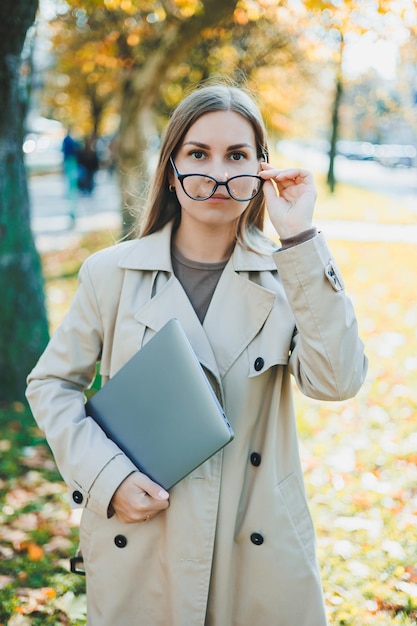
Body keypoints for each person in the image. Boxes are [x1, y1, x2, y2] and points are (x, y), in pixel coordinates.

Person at [26, 82, 368, 626]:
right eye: (198, 154)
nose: (217, 174)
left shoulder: (291, 277)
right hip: (142, 537)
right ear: (171, 168)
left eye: (237, 155)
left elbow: (338, 381)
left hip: (255, 546)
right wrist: (106, 477)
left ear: (261, 168)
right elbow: (51, 384)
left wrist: (299, 236)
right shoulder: (109, 274)